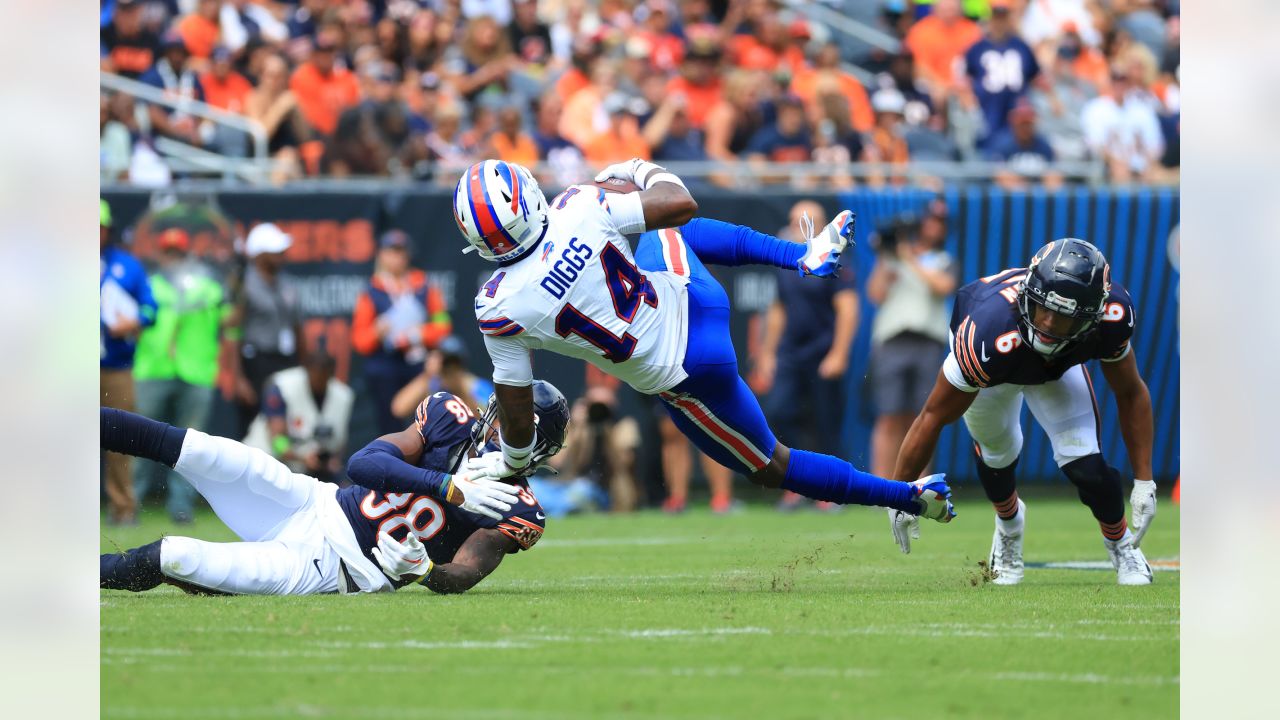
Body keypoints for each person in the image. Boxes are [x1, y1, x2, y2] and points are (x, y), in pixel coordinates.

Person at [452, 158, 955, 524]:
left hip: (688, 374)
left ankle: (907, 498)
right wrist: (639, 167)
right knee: (670, 231)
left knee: (772, 465)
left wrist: (515, 462)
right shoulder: (578, 205)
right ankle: (802, 256)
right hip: (699, 302)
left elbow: (516, 410)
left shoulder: (498, 307)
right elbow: (679, 203)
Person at [99, 381, 568, 595]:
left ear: (534, 445)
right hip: (309, 500)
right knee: (199, 449)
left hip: (329, 567)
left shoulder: (519, 510)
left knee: (177, 556)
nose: (498, 421)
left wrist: (426, 572)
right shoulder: (449, 418)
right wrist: (447, 487)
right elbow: (363, 465)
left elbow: (466, 573)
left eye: (514, 421)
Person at [887, 239, 1158, 587]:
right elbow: (932, 416)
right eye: (1042, 307)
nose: (1046, 322)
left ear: (1092, 314)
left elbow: (1131, 392)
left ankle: (1122, 544)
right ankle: (1009, 526)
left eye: (1063, 317)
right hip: (999, 364)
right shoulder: (987, 332)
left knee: (1085, 462)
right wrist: (896, 493)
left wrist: (1144, 481)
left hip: (1059, 367)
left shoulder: (1112, 316)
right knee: (998, 456)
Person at [757, 201, 860, 512]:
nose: (798, 226)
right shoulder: (788, 262)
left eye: (806, 220)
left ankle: (830, 491)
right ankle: (797, 485)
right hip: (791, 352)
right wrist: (767, 353)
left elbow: (848, 309)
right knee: (779, 412)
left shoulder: (834, 261)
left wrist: (839, 353)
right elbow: (778, 310)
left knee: (826, 422)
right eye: (793, 220)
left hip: (821, 350)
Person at [132, 228, 230, 524]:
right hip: (153, 368)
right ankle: (129, 503)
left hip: (196, 371)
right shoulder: (148, 285)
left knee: (190, 446)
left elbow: (227, 315)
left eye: (178, 252)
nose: (173, 258)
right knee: (137, 440)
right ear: (160, 255)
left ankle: (181, 506)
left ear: (187, 254)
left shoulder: (207, 286)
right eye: (168, 252)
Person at [865, 201, 956, 483]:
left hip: (927, 342)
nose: (932, 228)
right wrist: (885, 256)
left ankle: (918, 484)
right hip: (892, 341)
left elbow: (943, 287)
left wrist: (909, 258)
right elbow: (875, 295)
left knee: (922, 418)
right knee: (888, 416)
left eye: (938, 224)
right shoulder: (891, 259)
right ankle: (879, 485)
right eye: (928, 221)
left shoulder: (943, 260)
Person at [351, 229, 453, 435]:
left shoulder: (423, 285)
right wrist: (377, 332)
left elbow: (443, 324)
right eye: (391, 251)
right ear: (381, 255)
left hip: (418, 360)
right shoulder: (372, 291)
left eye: (401, 252)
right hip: (386, 362)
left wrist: (420, 334)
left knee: (432, 397)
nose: (397, 257)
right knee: (384, 393)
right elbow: (360, 340)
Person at [101, 199, 158, 526]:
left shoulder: (127, 265)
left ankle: (123, 508)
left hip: (116, 366)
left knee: (119, 438)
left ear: (107, 230)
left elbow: (151, 309)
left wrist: (133, 321)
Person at [228, 223, 302, 438]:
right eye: (275, 251)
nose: (282, 254)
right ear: (259, 254)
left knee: (287, 424)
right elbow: (233, 333)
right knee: (254, 428)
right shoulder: (243, 286)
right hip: (255, 362)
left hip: (286, 361)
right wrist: (238, 378)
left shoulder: (289, 284)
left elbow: (298, 329)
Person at [244, 351, 355, 484]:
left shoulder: (343, 396)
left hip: (308, 471)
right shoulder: (282, 386)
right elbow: (277, 441)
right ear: (306, 371)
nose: (319, 379)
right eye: (315, 374)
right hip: (266, 462)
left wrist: (331, 461)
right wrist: (302, 458)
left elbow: (339, 444)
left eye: (323, 375)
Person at [390, 336, 494, 422]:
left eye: (452, 362)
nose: (449, 367)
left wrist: (459, 389)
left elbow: (487, 421)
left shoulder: (476, 385)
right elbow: (399, 409)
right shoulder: (431, 383)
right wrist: (427, 375)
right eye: (445, 361)